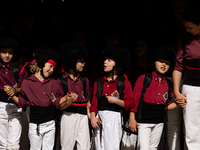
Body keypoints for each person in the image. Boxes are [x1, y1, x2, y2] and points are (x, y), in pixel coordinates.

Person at [4, 46, 78, 150]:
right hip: (35, 126)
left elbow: (56, 101)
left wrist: (67, 97)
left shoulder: (53, 82)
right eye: (50, 66)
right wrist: (12, 95)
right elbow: (22, 102)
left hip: (50, 124)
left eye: (53, 68)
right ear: (41, 64)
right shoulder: (28, 82)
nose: (51, 70)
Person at [129, 46, 184, 150]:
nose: (164, 64)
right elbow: (134, 100)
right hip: (144, 121)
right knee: (144, 148)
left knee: (153, 148)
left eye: (167, 63)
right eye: (161, 61)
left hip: (159, 122)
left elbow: (167, 105)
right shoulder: (144, 78)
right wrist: (132, 119)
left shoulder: (168, 83)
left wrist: (179, 103)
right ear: (154, 62)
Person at [90, 45, 134, 150]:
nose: (105, 62)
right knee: (99, 146)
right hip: (99, 117)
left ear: (117, 64)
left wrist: (116, 101)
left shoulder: (123, 82)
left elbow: (130, 103)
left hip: (114, 117)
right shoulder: (99, 82)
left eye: (109, 60)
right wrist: (92, 117)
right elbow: (94, 101)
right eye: (105, 59)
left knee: (112, 146)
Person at [172, 6, 200, 150]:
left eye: (190, 27)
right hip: (191, 86)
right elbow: (178, 66)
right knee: (192, 129)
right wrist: (176, 92)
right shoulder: (184, 36)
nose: (187, 30)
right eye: (186, 27)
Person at [57, 42, 90, 150]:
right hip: (68, 115)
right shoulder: (61, 80)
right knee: (67, 146)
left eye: (84, 61)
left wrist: (91, 116)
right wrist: (68, 101)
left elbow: (87, 102)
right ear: (72, 61)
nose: (83, 64)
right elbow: (59, 106)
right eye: (80, 61)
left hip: (83, 117)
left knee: (85, 147)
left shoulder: (85, 80)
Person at [0, 30, 28, 150]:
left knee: (13, 144)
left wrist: (15, 90)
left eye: (10, 53)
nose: (7, 55)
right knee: (2, 144)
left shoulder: (19, 68)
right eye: (4, 52)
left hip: (16, 106)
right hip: (0, 107)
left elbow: (26, 88)